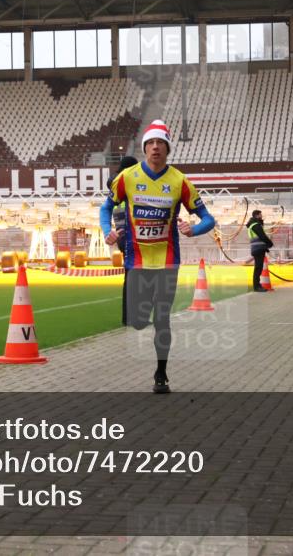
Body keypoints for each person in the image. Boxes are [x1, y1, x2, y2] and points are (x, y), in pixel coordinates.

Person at [99, 120, 216, 393]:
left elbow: (208, 218)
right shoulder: (127, 177)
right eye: (150, 143)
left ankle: (161, 373)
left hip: (167, 262)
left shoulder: (180, 181)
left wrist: (193, 229)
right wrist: (107, 231)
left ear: (167, 149)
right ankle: (144, 314)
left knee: (162, 318)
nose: (155, 148)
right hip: (136, 261)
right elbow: (105, 208)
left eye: (160, 143)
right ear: (144, 148)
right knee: (138, 321)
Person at [107, 156, 139, 326]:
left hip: (122, 234)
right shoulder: (126, 184)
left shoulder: (115, 185)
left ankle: (130, 317)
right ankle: (131, 318)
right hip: (129, 234)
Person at [246, 210, 273, 292]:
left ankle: (257, 285)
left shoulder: (252, 225)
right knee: (258, 268)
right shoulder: (256, 225)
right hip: (258, 249)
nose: (262, 216)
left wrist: (265, 247)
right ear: (257, 215)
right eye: (260, 214)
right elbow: (262, 236)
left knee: (258, 268)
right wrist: (270, 243)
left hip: (257, 248)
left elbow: (260, 237)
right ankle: (257, 286)